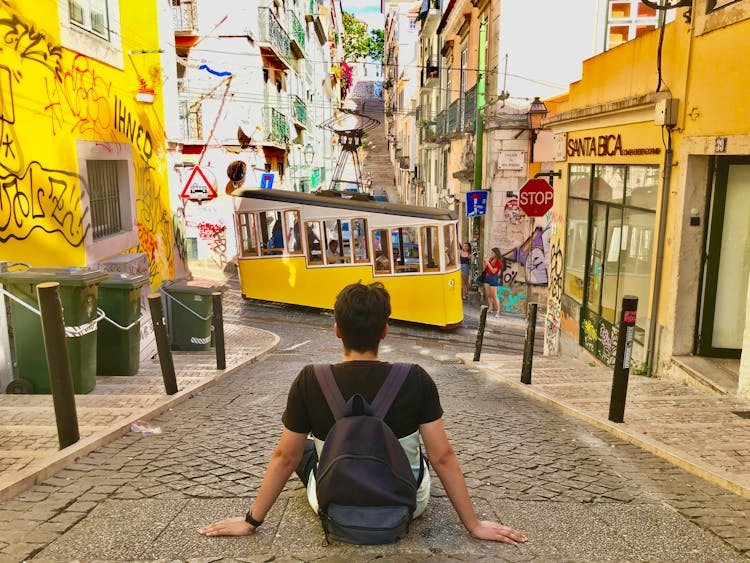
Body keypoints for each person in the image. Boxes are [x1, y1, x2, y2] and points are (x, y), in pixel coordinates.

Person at [198, 282, 527, 546]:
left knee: (302, 450)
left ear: (337, 330)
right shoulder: (415, 378)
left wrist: (250, 521)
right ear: (385, 330)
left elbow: (284, 457)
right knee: (423, 460)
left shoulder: (311, 379)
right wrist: (473, 525)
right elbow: (443, 457)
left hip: (333, 504)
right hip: (406, 506)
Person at [483, 247, 503, 317]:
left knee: (494, 295)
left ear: (496, 253)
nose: (491, 254)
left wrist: (488, 263)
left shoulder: (498, 262)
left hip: (493, 278)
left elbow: (494, 271)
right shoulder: (491, 259)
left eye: (492, 253)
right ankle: (490, 308)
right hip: (487, 277)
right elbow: (485, 268)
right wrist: (485, 262)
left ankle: (498, 311)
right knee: (488, 294)